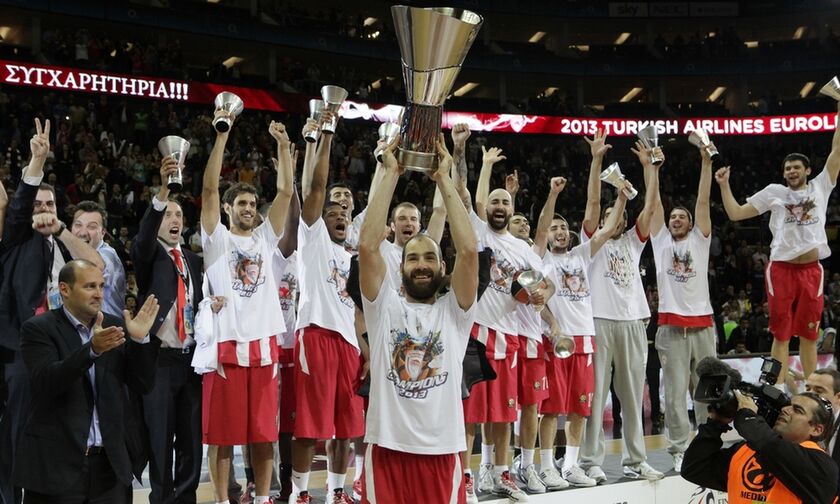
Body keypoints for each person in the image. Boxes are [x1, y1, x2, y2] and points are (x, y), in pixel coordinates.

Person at [358, 134, 478, 503]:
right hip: (387, 450)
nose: (421, 264)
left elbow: (469, 250)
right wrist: (391, 172)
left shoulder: (455, 313)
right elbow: (367, 246)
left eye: (429, 258)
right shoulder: (384, 308)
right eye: (412, 258)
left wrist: (444, 178)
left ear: (443, 268)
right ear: (400, 268)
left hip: (442, 451)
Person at [0, 119, 104, 504]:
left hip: (64, 351)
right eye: (38, 205)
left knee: (59, 432)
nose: (43, 211)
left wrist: (61, 229)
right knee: (17, 435)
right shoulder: (16, 240)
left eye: (50, 205)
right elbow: (18, 208)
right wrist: (37, 162)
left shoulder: (62, 243)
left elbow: (96, 265)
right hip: (23, 353)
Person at [201, 110, 294, 504]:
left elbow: (285, 194)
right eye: (241, 202)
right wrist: (223, 134)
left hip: (264, 347)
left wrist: (284, 147)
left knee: (263, 434)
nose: (249, 208)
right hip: (227, 346)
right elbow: (208, 190)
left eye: (253, 203)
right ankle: (223, 500)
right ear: (228, 208)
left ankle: (261, 498)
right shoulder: (217, 241)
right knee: (222, 437)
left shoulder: (265, 239)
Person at [14, 260, 161, 503]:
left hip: (110, 467)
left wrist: (139, 340)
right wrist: (91, 350)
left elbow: (142, 384)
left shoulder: (115, 326)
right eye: (90, 286)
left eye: (101, 286)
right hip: (57, 468)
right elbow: (46, 381)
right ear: (65, 289)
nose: (99, 294)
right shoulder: (38, 328)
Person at [715, 103, 840, 384]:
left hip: (812, 270)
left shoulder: (820, 186)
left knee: (809, 335)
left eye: (797, 167)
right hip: (782, 269)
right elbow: (735, 213)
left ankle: (812, 390)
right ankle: (779, 390)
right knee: (781, 335)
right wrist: (724, 185)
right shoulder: (774, 192)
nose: (792, 171)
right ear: (783, 174)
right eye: (787, 168)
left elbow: (837, 149)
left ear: (808, 170)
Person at [466, 145, 553, 503]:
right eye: (495, 202)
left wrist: (541, 294)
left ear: (512, 209)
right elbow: (476, 200)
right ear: (486, 207)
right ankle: (467, 476)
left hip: (509, 335)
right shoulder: (478, 232)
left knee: (503, 413)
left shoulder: (522, 249)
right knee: (471, 413)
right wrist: (486, 165)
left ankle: (502, 472)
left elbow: (545, 282)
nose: (499, 206)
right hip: (476, 331)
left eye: (505, 203)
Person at [578, 130, 664, 483]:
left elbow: (651, 208)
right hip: (599, 321)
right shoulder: (591, 243)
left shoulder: (633, 243)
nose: (616, 221)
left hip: (633, 322)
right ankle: (589, 461)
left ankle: (635, 460)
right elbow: (593, 204)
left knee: (632, 398)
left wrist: (650, 169)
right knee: (596, 396)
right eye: (611, 217)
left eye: (621, 217)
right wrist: (596, 160)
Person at [291, 110, 363, 504]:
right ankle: (300, 493)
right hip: (316, 334)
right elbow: (316, 187)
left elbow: (357, 311)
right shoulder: (312, 239)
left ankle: (337, 490)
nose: (339, 216)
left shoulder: (352, 258)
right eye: (332, 212)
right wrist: (326, 135)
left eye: (344, 214)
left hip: (348, 345)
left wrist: (365, 351)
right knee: (309, 425)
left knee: (346, 426)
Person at [538, 185, 630, 488]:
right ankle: (546, 466)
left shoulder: (580, 255)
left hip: (585, 340)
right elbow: (539, 302)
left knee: (580, 409)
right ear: (547, 235)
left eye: (564, 227)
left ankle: (570, 465)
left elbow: (607, 230)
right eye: (554, 228)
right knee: (552, 409)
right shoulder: (541, 260)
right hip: (555, 341)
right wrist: (553, 325)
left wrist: (621, 198)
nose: (560, 231)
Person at [130, 156, 204, 504]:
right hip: (158, 361)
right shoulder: (148, 256)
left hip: (191, 361)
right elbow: (145, 236)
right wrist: (163, 191)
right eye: (168, 215)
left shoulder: (194, 260)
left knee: (191, 439)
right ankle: (160, 500)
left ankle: (186, 499)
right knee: (160, 439)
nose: (175, 220)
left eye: (179, 215)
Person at [648, 138, 716, 472]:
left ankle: (708, 444)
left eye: (681, 216)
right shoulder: (660, 240)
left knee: (707, 391)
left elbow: (702, 200)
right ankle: (678, 449)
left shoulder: (700, 240)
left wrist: (706, 162)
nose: (675, 219)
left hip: (702, 325)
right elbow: (654, 205)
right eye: (673, 216)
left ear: (691, 223)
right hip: (671, 327)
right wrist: (654, 170)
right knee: (674, 394)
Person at [681, 391, 838, 504]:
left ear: (816, 430)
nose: (785, 409)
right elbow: (695, 468)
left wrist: (747, 415)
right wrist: (716, 424)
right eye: (788, 405)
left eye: (797, 410)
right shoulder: (746, 450)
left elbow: (772, 447)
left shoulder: (821, 465)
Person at [71, 201, 126, 316]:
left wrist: (60, 231)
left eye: (91, 227)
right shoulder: (71, 255)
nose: (82, 233)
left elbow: (96, 265)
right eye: (78, 225)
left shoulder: (109, 254)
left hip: (108, 325)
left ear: (103, 233)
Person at [804, 367, 840, 494]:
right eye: (808, 389)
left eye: (819, 391)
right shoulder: (799, 421)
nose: (810, 395)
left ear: (838, 397)